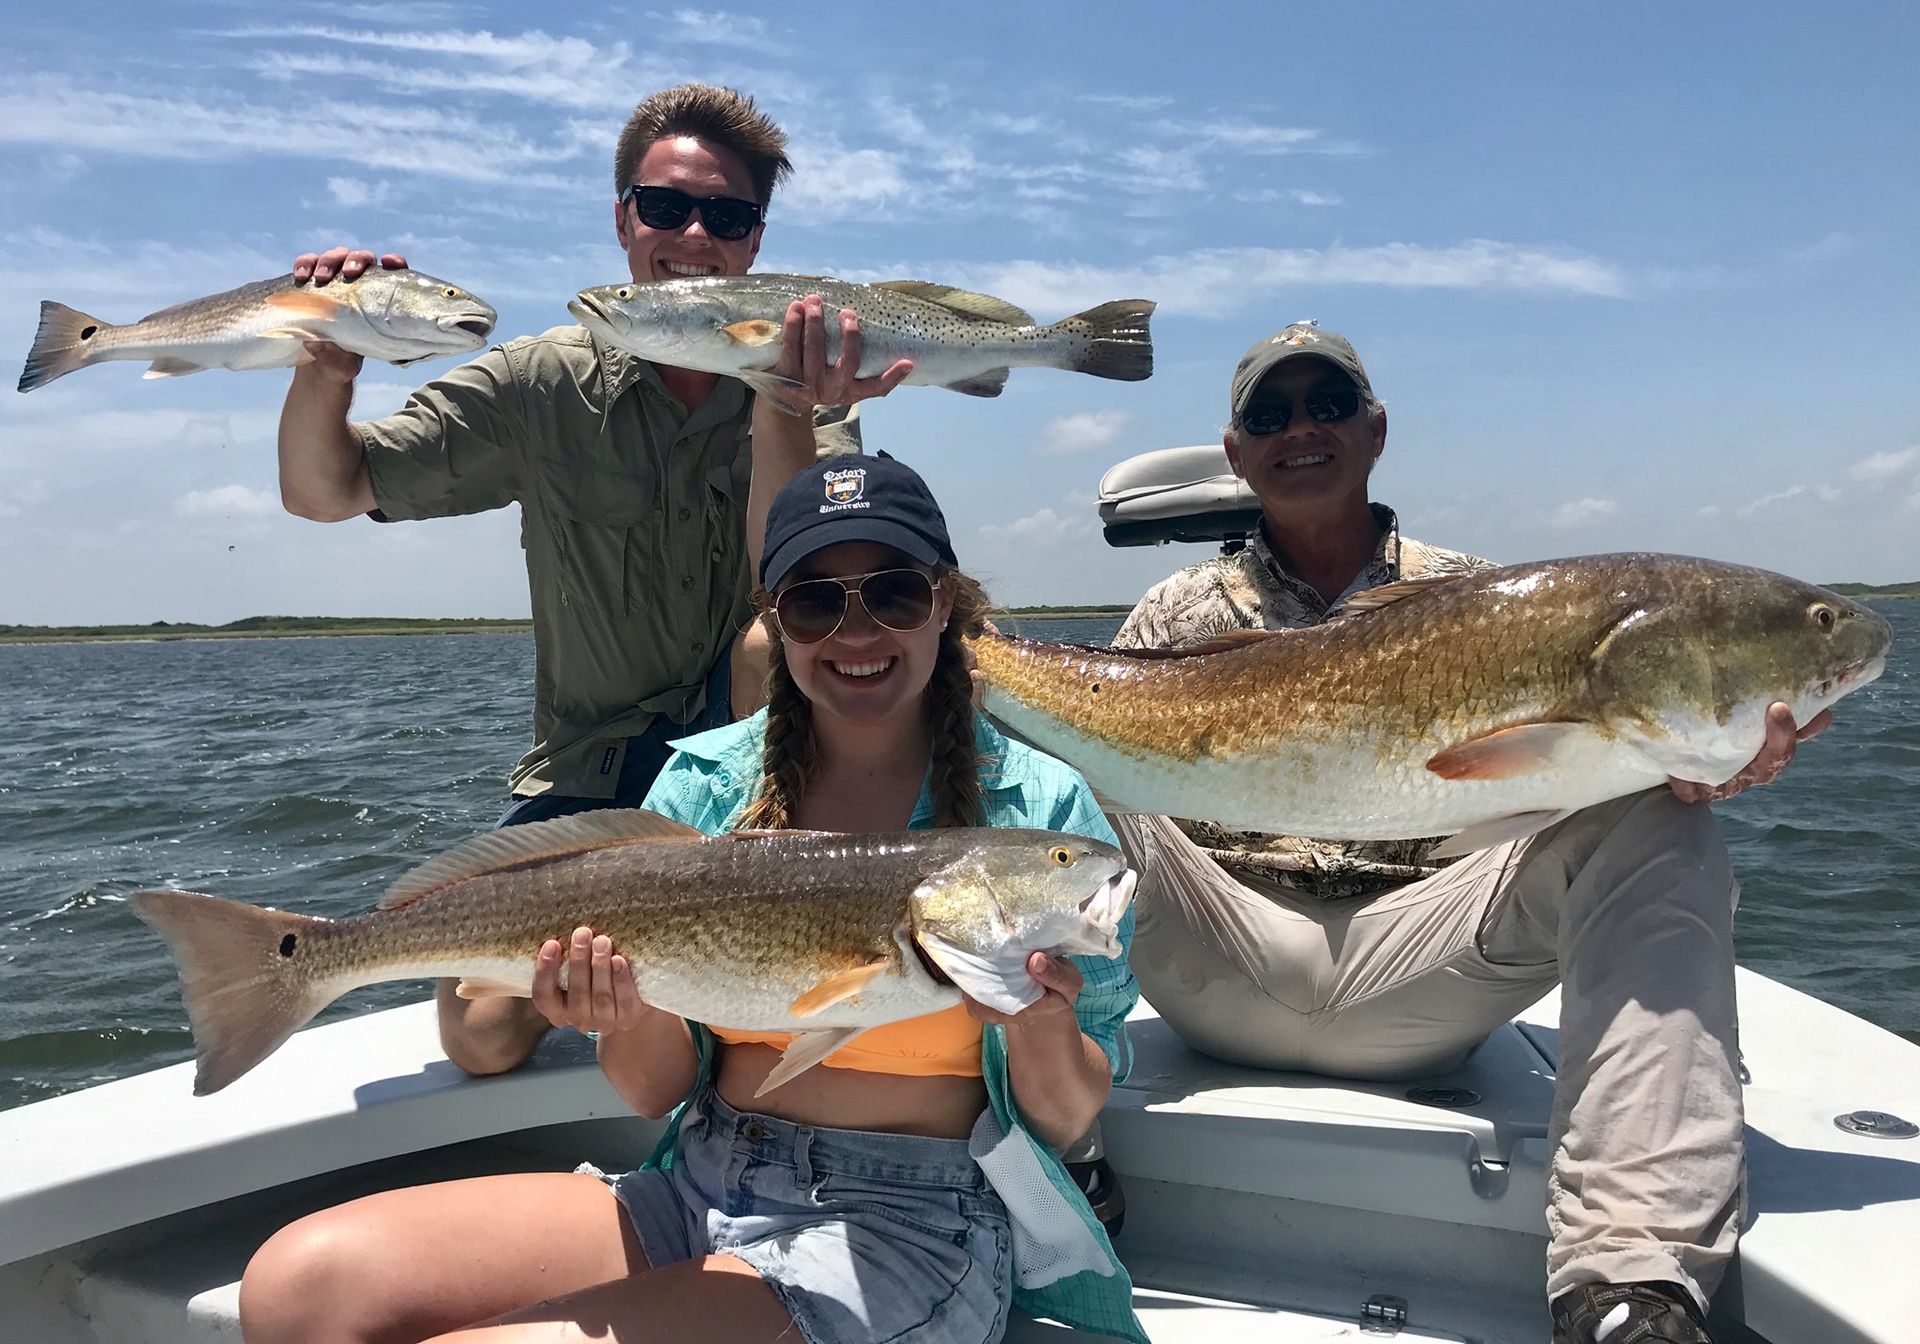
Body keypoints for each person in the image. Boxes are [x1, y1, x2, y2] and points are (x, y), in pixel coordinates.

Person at [238, 453, 1145, 1344]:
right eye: (815, 602)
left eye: (895, 593)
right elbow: (652, 1091)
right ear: (775, 622)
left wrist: (1035, 1020)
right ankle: (310, 959)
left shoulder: (1037, 808)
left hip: (912, 1228)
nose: (856, 632)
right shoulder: (707, 789)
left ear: (943, 604)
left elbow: (1065, 1118)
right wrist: (613, 1009)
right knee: (300, 1290)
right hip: (697, 1182)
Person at [1110, 323, 1830, 1344]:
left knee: (1663, 824)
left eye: (1327, 406)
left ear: (1375, 428)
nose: (1300, 429)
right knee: (1063, 788)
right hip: (1214, 958)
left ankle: (1629, 1280)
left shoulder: (1489, 601)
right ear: (1236, 453)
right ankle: (1036, 1139)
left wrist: (1706, 763)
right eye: (1269, 415)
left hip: (1424, 970)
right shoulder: (1173, 613)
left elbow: (1577, 782)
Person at [277, 83, 914, 1078]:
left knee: (770, 640)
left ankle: (772, 935)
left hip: (745, 770)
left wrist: (782, 402)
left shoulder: (809, 380)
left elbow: (784, 583)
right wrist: (327, 365)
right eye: (665, 207)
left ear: (756, 244)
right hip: (588, 766)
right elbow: (328, 490)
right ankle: (668, 983)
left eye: (727, 217)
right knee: (479, 1041)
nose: (692, 236)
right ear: (624, 219)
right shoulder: (538, 384)